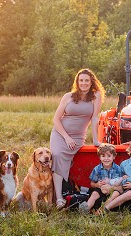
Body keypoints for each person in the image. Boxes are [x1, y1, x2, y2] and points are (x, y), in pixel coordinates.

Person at [50, 68, 105, 209]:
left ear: (91, 81)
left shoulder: (95, 96)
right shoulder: (68, 96)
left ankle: (71, 189)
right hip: (60, 134)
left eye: (87, 80)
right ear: (77, 82)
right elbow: (56, 119)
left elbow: (94, 118)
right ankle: (59, 198)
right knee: (57, 155)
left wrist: (96, 140)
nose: (84, 83)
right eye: (81, 80)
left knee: (71, 160)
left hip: (78, 137)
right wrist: (66, 137)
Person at [78, 143, 122, 213]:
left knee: (116, 193)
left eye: (109, 156)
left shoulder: (118, 169)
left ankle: (102, 209)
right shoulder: (97, 169)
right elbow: (92, 184)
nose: (106, 159)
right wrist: (97, 185)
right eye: (103, 156)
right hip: (101, 189)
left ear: (114, 157)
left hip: (113, 189)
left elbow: (121, 184)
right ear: (100, 157)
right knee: (94, 194)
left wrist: (112, 187)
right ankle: (86, 208)